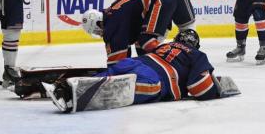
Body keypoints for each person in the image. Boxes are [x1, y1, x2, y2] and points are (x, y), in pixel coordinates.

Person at [43, 29, 240, 113]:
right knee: (129, 87)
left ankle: (64, 84)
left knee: (107, 75)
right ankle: (70, 94)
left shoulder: (166, 46)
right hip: (156, 77)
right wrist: (217, 89)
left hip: (135, 60)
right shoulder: (197, 55)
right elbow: (199, 88)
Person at [81, 0, 177, 65]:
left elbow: (117, 62)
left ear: (98, 23)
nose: (100, 34)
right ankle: (156, 66)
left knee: (146, 41)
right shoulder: (111, 15)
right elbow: (125, 52)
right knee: (142, 48)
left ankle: (175, 58)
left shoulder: (112, 24)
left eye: (96, 31)